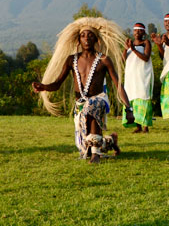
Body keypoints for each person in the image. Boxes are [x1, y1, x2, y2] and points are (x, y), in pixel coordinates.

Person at [32, 17, 134, 164]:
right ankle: (110, 141)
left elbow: (119, 85)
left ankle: (96, 155)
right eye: (83, 36)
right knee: (85, 146)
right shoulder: (71, 60)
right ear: (78, 40)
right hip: (81, 104)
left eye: (90, 35)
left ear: (97, 40)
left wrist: (128, 108)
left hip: (99, 100)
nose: (87, 39)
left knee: (92, 105)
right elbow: (57, 84)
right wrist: (44, 87)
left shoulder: (104, 60)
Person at [122, 23, 153, 133]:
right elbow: (122, 60)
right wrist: (126, 49)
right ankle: (138, 126)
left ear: (144, 32)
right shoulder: (130, 44)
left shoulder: (146, 43)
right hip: (131, 76)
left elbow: (146, 57)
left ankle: (145, 127)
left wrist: (133, 49)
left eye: (140, 30)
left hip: (142, 75)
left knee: (143, 97)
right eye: (135, 30)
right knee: (132, 98)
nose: (137, 32)